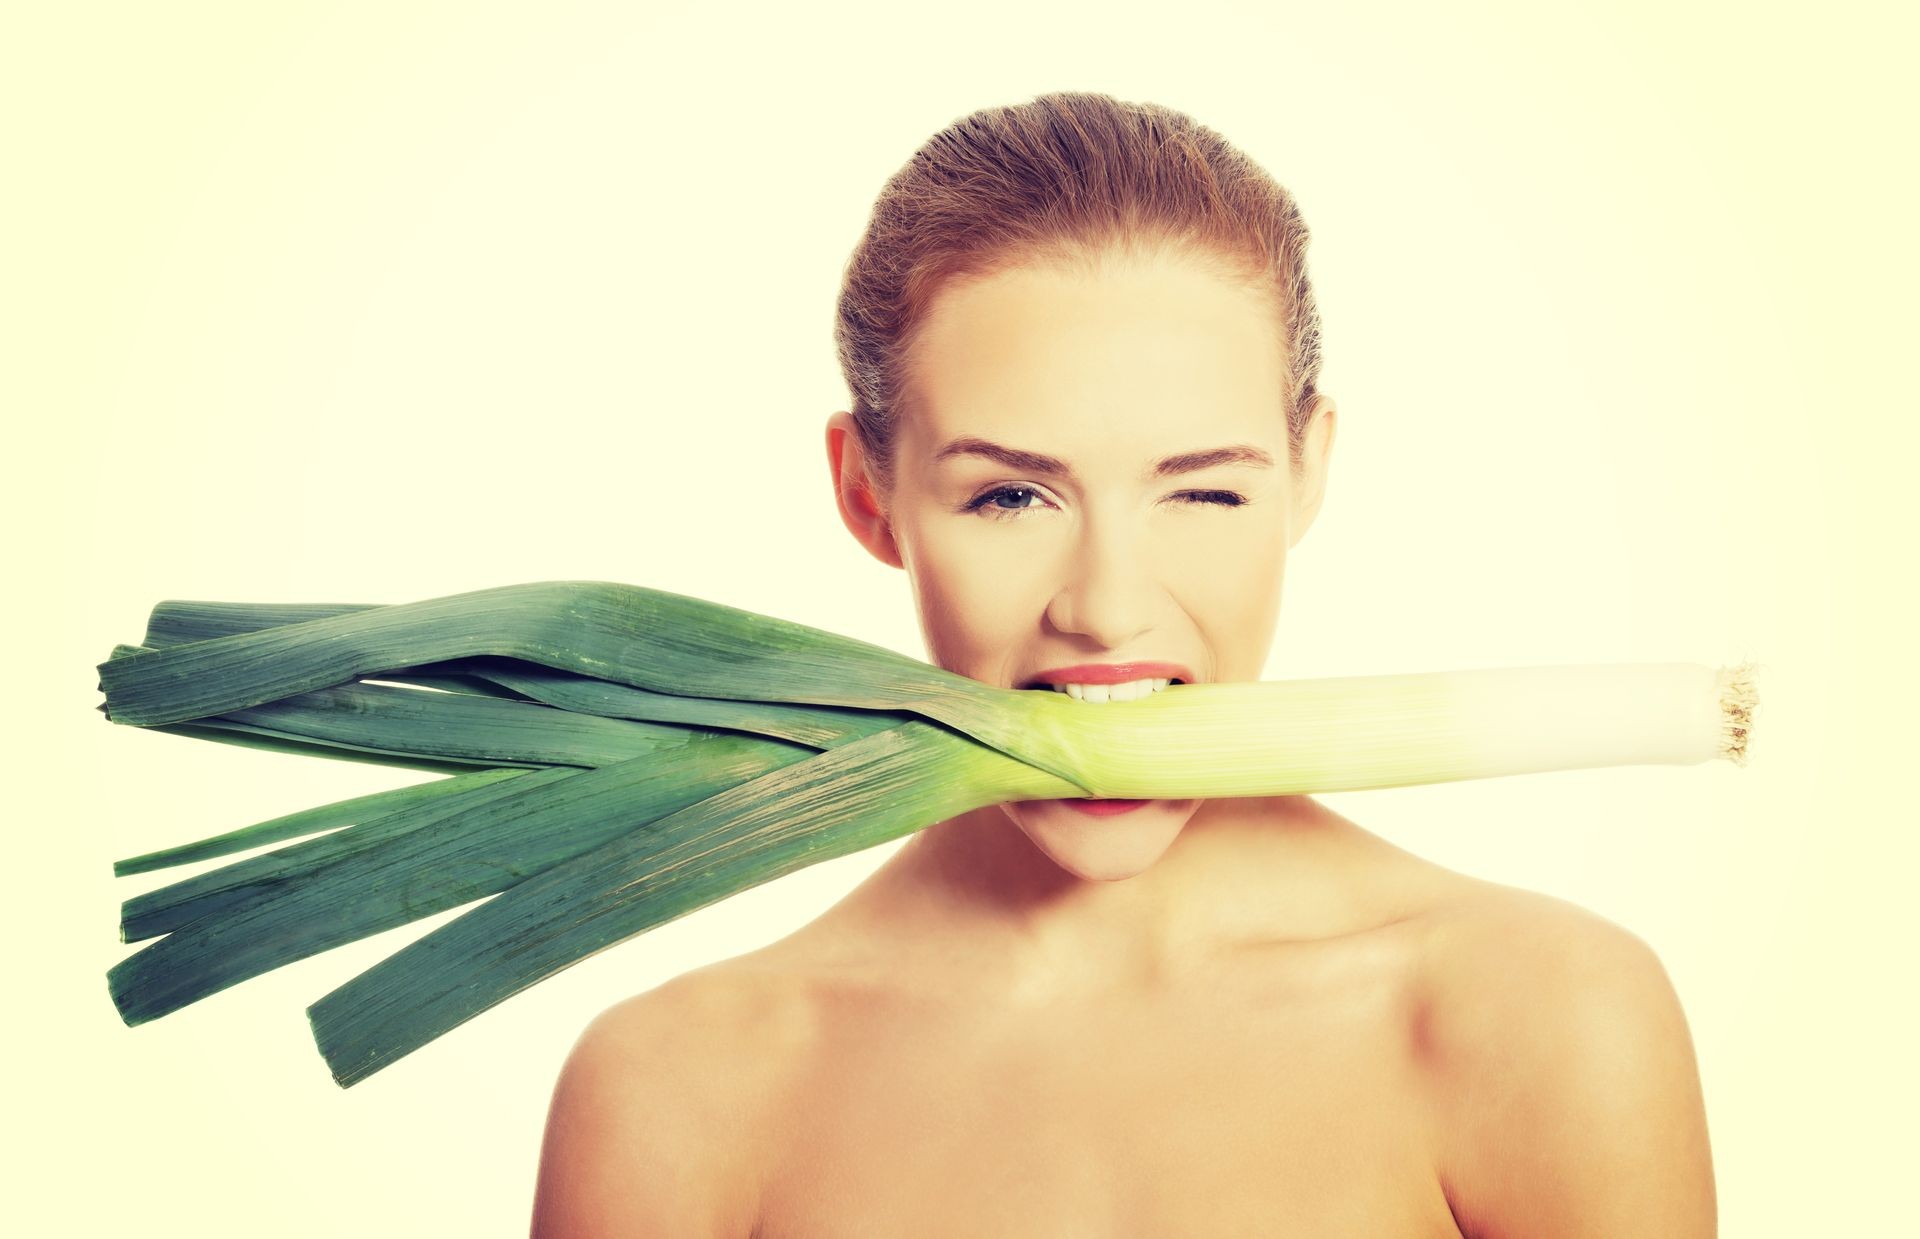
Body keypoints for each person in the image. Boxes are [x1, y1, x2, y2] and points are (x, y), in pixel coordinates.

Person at [530, 91, 1715, 1237]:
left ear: (1308, 471)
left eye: (1202, 489)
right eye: (1010, 495)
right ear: (867, 493)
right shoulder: (676, 1097)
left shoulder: (1541, 1018)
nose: (1106, 608)